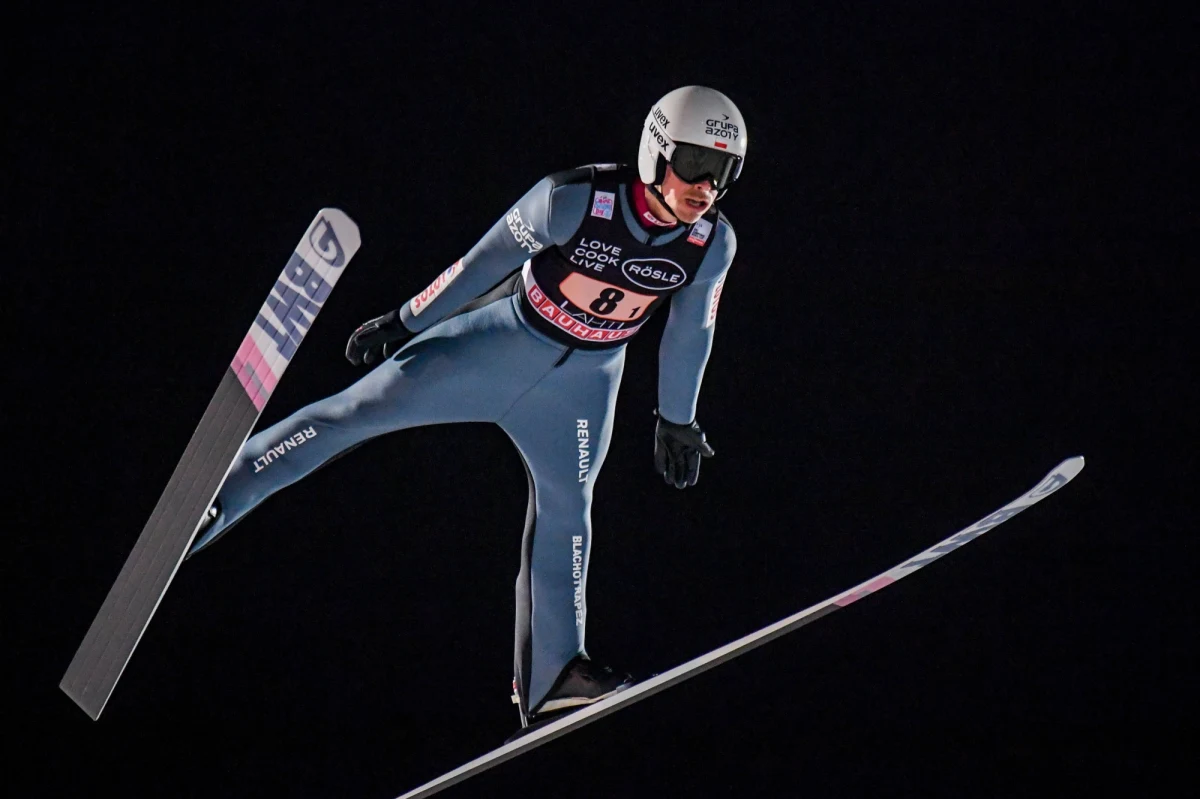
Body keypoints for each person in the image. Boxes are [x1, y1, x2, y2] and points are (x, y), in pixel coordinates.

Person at [185, 85, 747, 732]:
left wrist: (676, 416)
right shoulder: (574, 198)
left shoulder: (711, 244)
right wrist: (407, 318)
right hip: (497, 346)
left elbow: (690, 332)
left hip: (585, 387)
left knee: (570, 509)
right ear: (656, 152)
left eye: (724, 173)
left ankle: (554, 677)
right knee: (355, 413)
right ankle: (220, 494)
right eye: (695, 165)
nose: (707, 186)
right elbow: (485, 260)